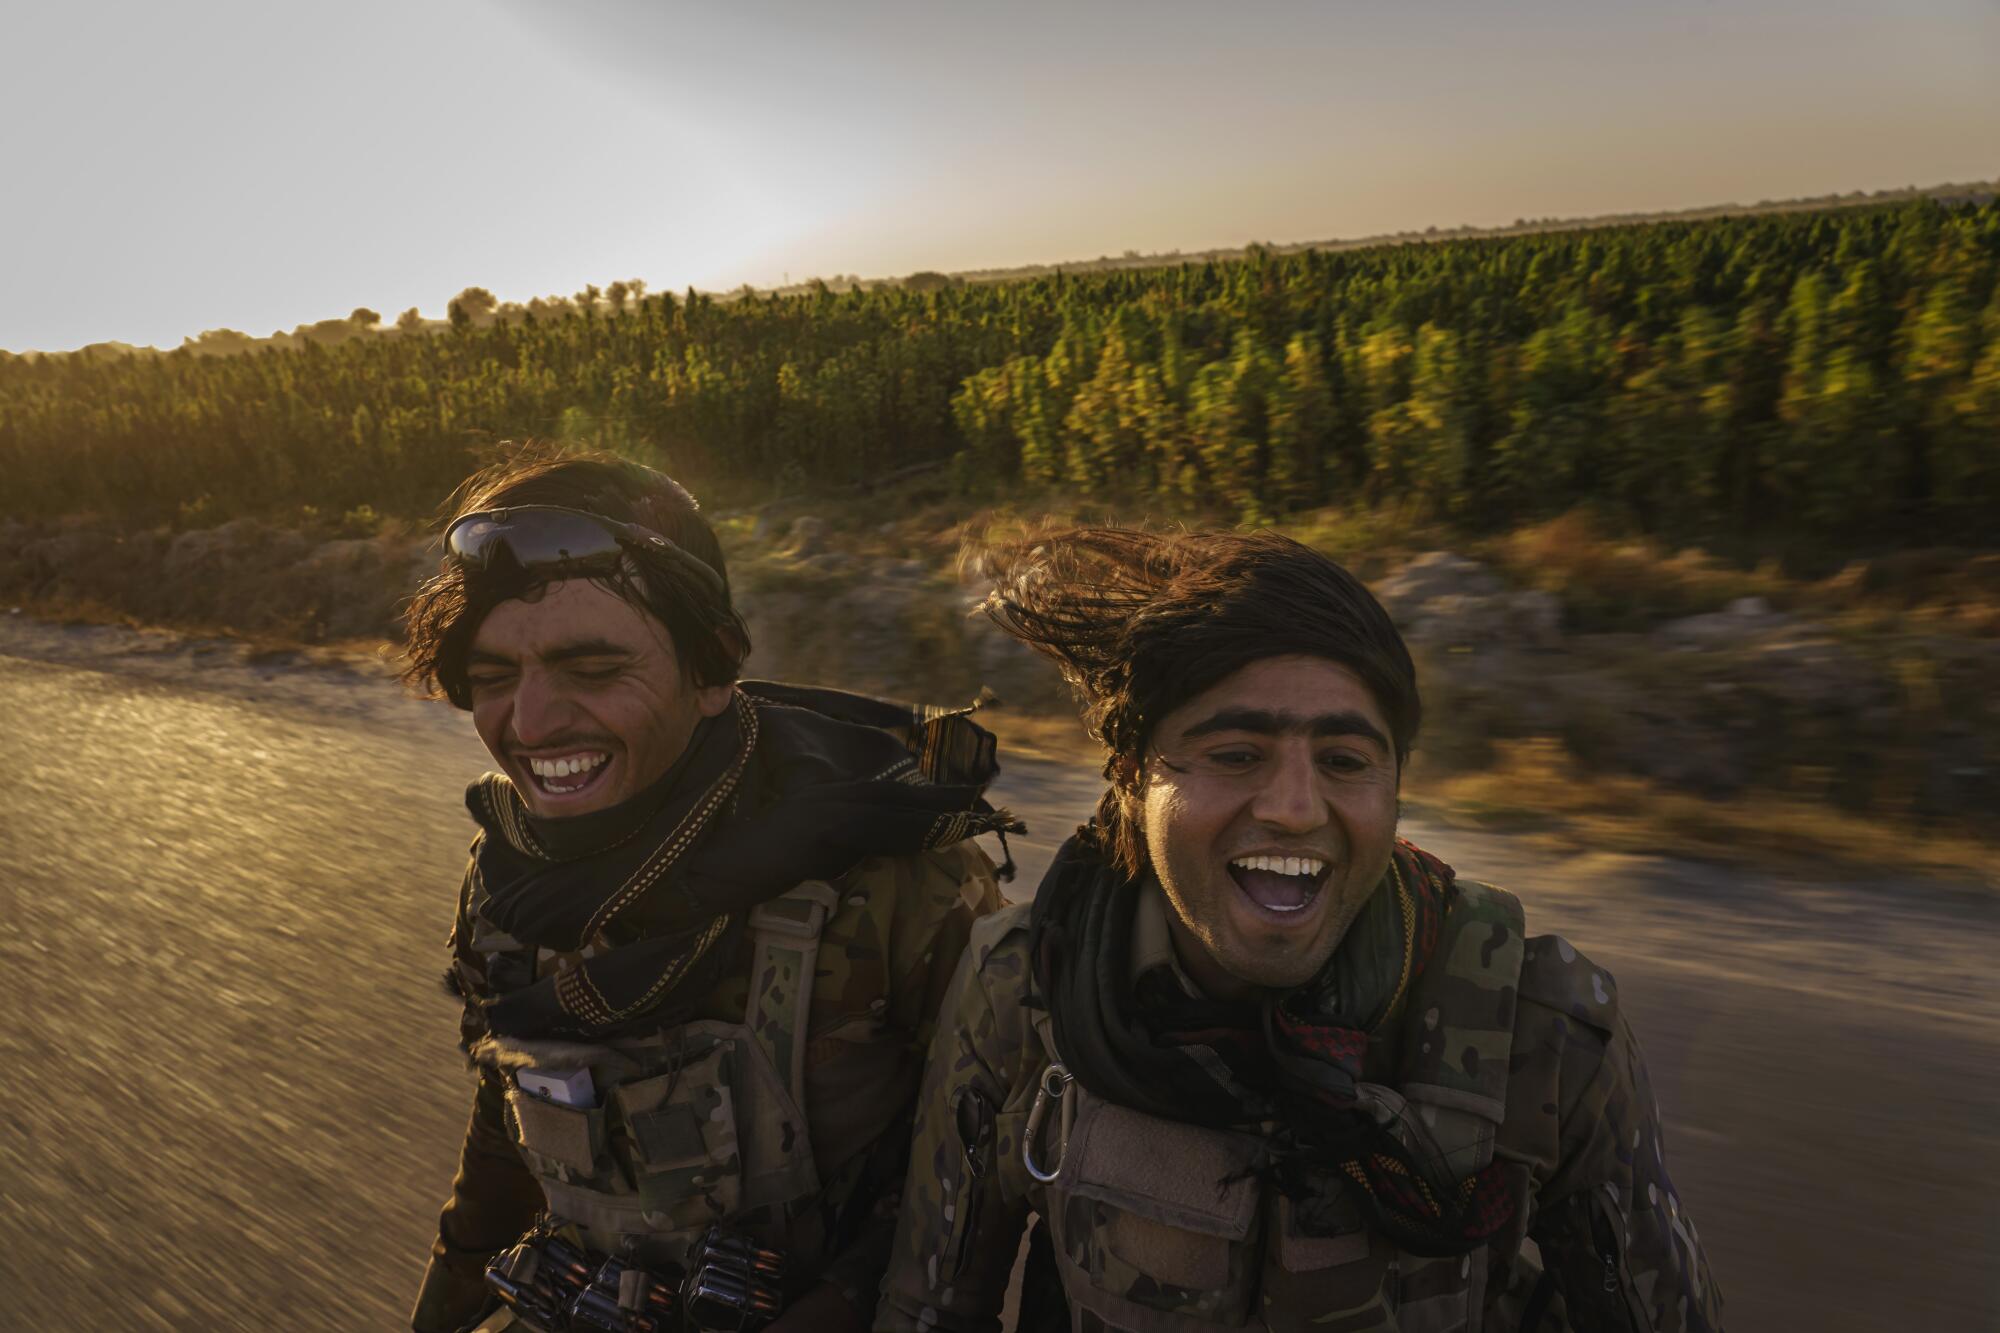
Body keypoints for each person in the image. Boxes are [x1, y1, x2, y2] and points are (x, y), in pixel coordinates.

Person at [875, 528, 1722, 1333]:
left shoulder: (1543, 1030)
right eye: (1237, 753)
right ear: (1132, 775)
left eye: (1345, 761)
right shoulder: (1025, 987)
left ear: (1395, 786)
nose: (1292, 808)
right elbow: (931, 1308)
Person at [402, 446, 1015, 1333]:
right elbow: (505, 1127)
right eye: (495, 678)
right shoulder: (511, 874)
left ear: (713, 671)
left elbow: (975, 1195)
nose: (529, 724)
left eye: (595, 669)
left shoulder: (891, 882)